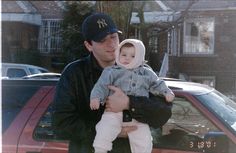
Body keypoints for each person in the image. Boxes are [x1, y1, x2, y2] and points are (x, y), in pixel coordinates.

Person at [52, 12, 173, 153]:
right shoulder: (74, 73)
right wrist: (109, 131)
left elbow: (164, 113)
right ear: (89, 45)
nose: (111, 44)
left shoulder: (141, 69)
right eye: (102, 40)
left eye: (113, 37)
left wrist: (130, 103)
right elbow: (60, 123)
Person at [90, 39, 175, 153]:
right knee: (104, 129)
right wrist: (95, 98)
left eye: (132, 56)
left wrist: (167, 92)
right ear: (118, 54)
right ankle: (100, 149)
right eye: (123, 54)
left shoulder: (146, 73)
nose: (127, 58)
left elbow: (157, 83)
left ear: (140, 58)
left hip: (137, 116)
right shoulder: (111, 71)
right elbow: (101, 85)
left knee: (143, 139)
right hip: (114, 113)